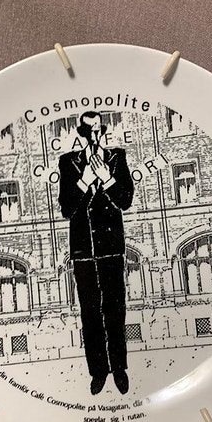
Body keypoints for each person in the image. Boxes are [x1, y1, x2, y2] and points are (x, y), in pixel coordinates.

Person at [58, 111, 134, 395]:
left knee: (115, 308)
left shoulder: (117, 157)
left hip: (111, 248)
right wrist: (84, 180)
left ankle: (119, 368)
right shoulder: (68, 162)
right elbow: (67, 208)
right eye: (89, 129)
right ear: (81, 132)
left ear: (103, 131)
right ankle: (98, 371)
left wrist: (107, 179)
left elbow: (125, 200)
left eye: (99, 129)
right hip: (83, 250)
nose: (95, 134)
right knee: (90, 312)